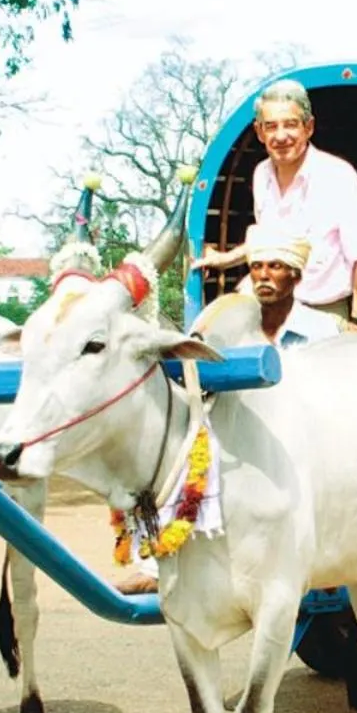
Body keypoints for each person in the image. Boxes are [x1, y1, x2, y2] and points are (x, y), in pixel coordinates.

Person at [113, 225, 334, 595]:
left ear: (295, 276)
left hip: (306, 449)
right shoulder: (225, 327)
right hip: (241, 441)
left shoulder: (323, 329)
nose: (264, 275)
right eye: (258, 266)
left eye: (276, 267)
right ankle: (155, 564)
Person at [191, 79, 357, 332]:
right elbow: (270, 240)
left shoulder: (338, 175)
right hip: (271, 308)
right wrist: (224, 259)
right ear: (259, 132)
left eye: (290, 124)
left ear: (308, 127)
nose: (281, 136)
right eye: (271, 127)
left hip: (323, 312)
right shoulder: (261, 175)